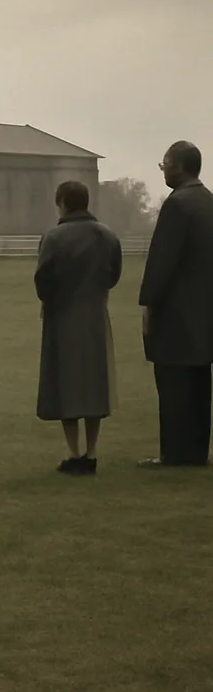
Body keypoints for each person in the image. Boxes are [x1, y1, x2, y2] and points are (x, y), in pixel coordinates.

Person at [34, 181, 122, 475]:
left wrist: (51, 299)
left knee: (66, 384)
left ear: (62, 203)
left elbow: (43, 279)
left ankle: (73, 451)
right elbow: (113, 276)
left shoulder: (53, 237)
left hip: (62, 315)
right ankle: (92, 451)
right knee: (94, 384)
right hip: (96, 314)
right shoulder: (108, 236)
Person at [138, 141, 213, 467]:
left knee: (172, 385)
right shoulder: (208, 201)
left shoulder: (177, 205)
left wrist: (149, 303)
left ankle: (175, 453)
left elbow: (162, 262)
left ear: (180, 165)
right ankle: (197, 450)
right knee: (199, 385)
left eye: (165, 163)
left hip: (177, 313)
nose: (164, 168)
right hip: (206, 311)